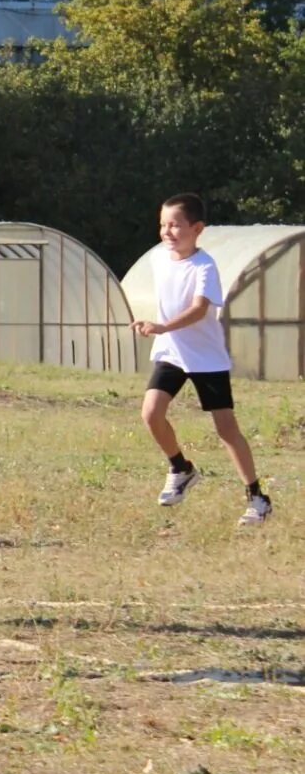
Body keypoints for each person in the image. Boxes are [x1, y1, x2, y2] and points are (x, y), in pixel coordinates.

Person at [132, 193, 269, 525]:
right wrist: (161, 331)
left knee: (226, 430)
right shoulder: (159, 259)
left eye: (175, 225)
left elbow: (199, 309)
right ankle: (181, 468)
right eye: (163, 225)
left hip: (206, 358)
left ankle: (257, 497)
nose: (167, 231)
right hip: (171, 352)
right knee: (151, 413)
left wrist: (162, 325)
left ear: (197, 228)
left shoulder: (205, 266)